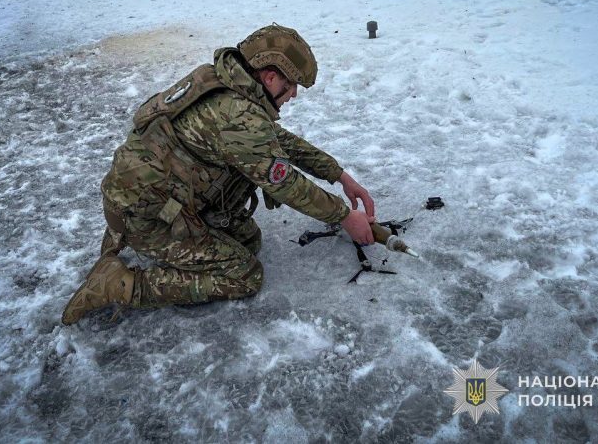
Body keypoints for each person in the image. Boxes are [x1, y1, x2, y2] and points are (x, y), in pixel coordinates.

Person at [61, 23, 376, 325]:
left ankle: (173, 243)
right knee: (243, 274)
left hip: (148, 200)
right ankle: (120, 284)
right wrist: (344, 215)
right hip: (148, 219)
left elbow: (277, 140)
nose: (292, 94)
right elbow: (285, 184)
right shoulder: (238, 117)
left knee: (247, 239)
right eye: (290, 85)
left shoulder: (224, 83)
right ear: (269, 78)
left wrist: (338, 175)